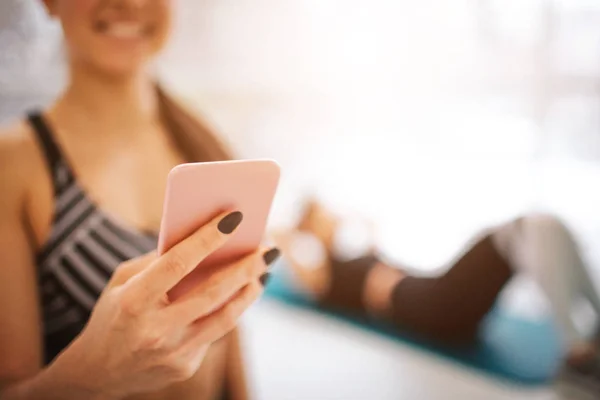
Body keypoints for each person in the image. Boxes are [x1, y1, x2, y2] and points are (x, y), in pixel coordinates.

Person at [0, 1, 280, 399]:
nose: (131, 3)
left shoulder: (204, 146)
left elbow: (227, 345)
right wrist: (91, 374)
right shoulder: (13, 164)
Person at [277, 201, 600, 380]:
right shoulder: (324, 274)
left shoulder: (354, 255)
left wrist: (345, 216)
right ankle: (577, 344)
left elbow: (371, 223)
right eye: (323, 216)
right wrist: (291, 234)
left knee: (532, 230)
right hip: (432, 307)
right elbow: (294, 258)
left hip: (431, 296)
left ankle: (590, 326)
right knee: (509, 235)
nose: (332, 218)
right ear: (311, 228)